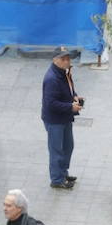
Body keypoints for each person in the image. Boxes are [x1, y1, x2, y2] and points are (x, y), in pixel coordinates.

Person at [41, 49, 83, 190]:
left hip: (64, 117)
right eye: (63, 59)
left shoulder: (64, 72)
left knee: (68, 146)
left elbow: (68, 89)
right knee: (56, 150)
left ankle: (63, 173)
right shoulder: (52, 79)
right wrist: (70, 107)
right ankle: (57, 179)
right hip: (55, 120)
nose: (67, 61)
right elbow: (51, 104)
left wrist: (74, 96)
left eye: (68, 58)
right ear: (55, 60)